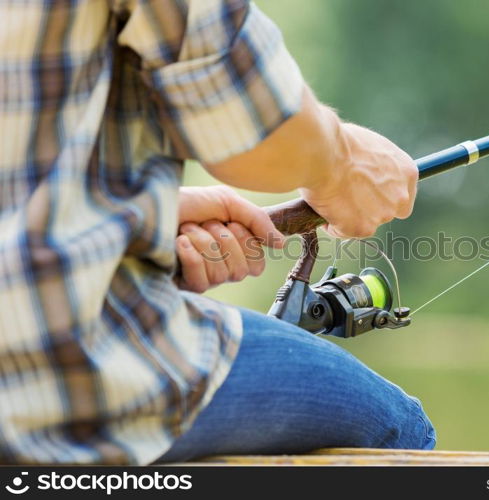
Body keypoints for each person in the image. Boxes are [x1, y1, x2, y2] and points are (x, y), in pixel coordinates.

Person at [0, 0, 434, 464]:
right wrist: (344, 162)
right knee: (403, 427)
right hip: (64, 370)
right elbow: (255, 128)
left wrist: (150, 221)